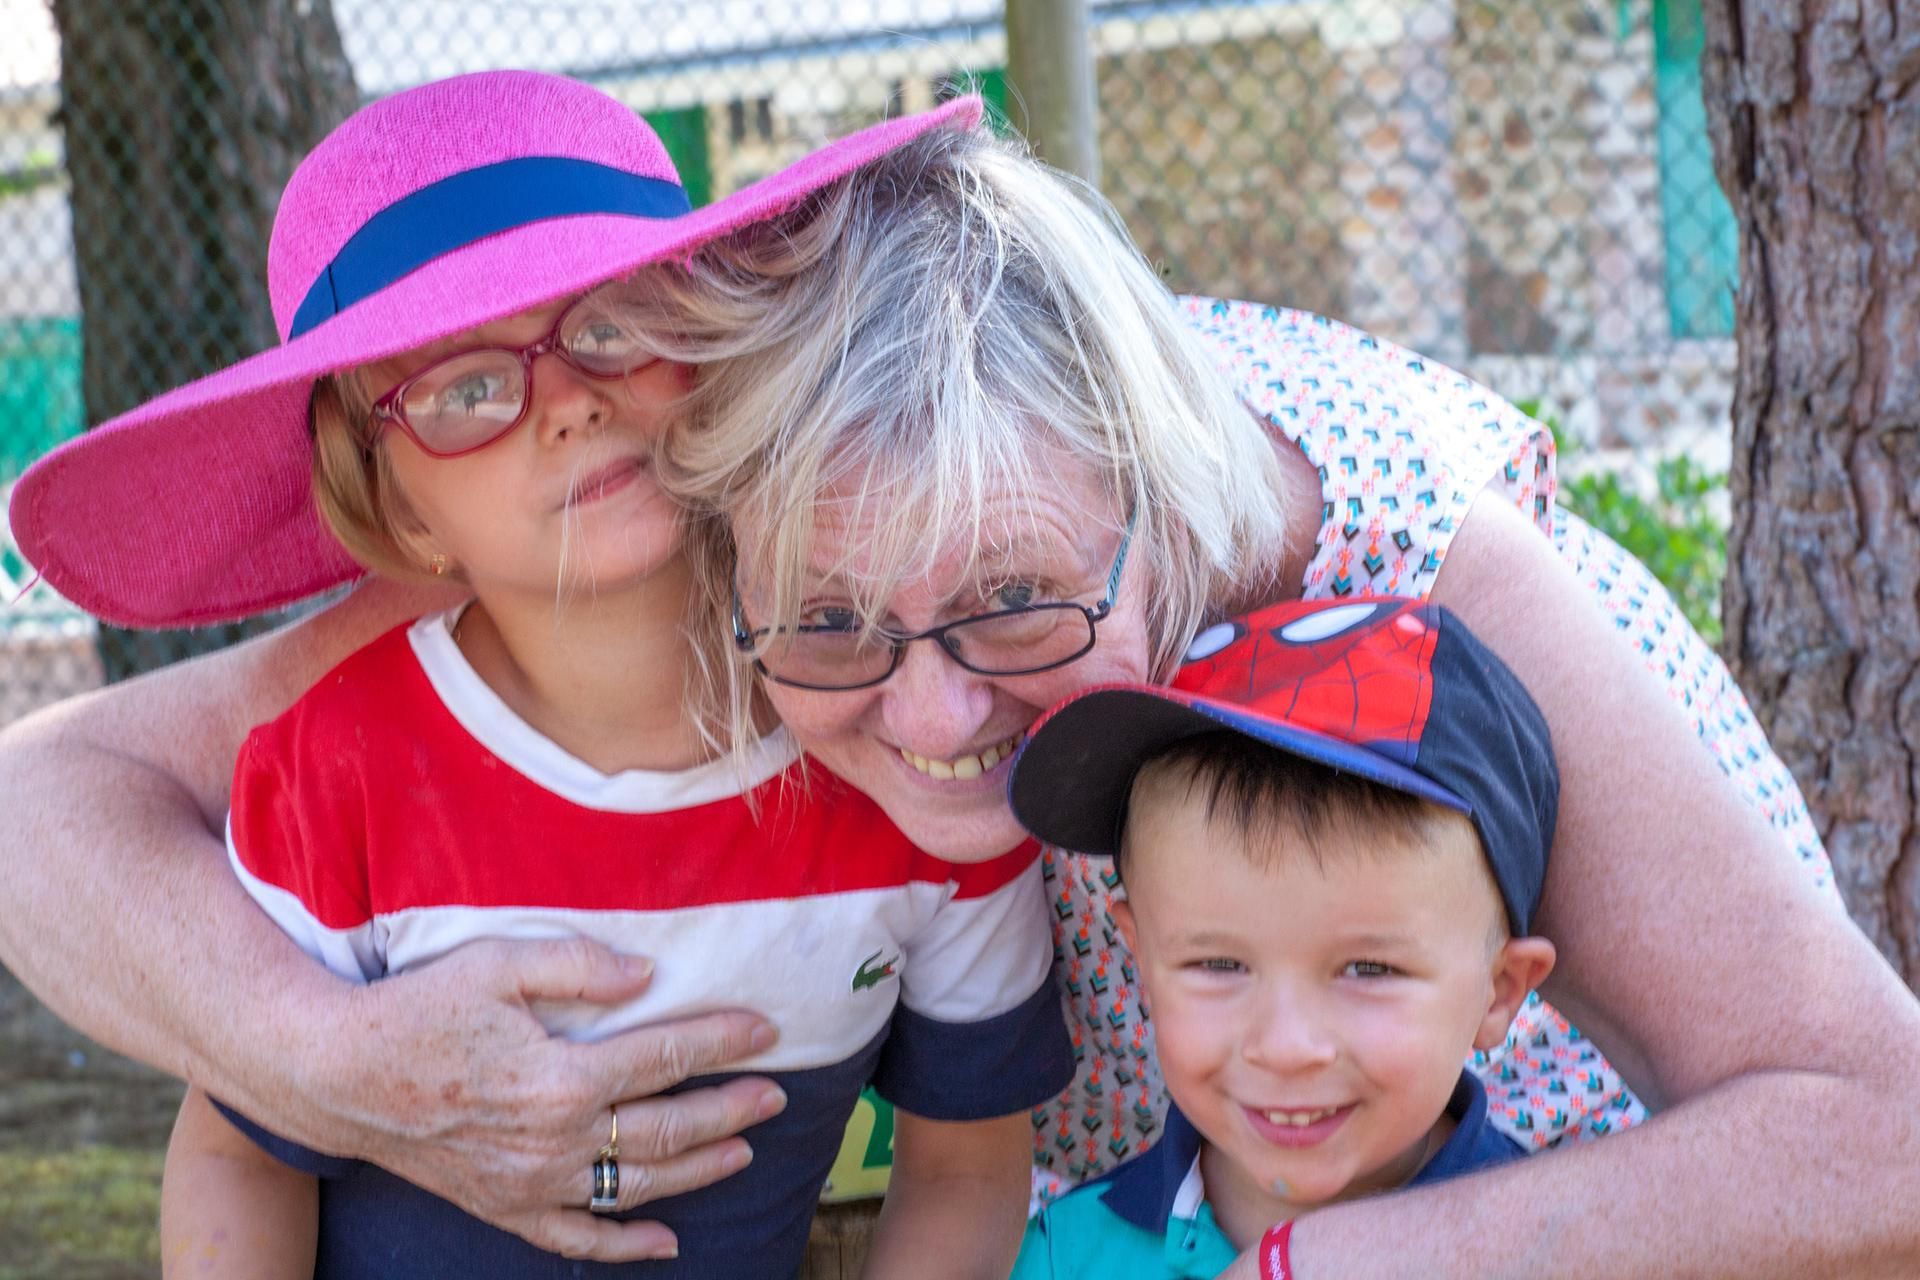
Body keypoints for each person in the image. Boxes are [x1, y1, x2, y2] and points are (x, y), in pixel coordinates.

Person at [5, 88, 1918, 1277]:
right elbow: (43, 801)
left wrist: (1314, 1269)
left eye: (1017, 609)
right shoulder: (661, 527)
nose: (929, 723)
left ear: (1164, 500)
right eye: (834, 621)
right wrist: (337, 1070)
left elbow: (1879, 1137)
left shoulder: (1405, 574)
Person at [26, 72, 1067, 1279]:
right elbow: (240, 1155)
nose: (568, 400)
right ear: (398, 510)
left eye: (615, 324)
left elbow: (967, 1168)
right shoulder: (334, 770)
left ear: (715, 345)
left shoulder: (910, 744)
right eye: (467, 389)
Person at [1001, 597, 1560, 1278]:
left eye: (1369, 969)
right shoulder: (1064, 1258)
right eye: (1218, 963)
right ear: (1141, 957)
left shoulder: (1569, 1253)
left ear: (1499, 991)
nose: (1286, 1048)